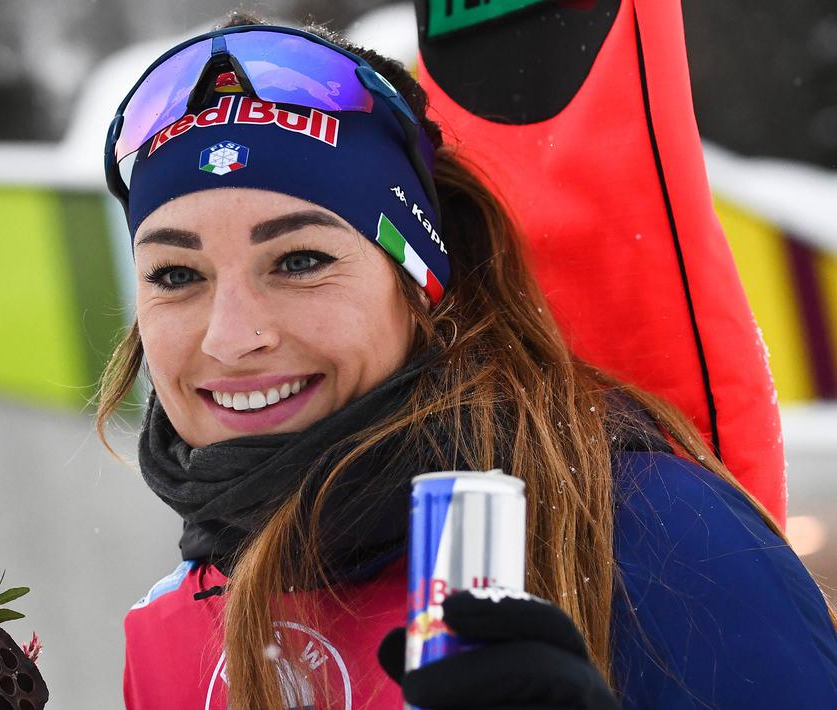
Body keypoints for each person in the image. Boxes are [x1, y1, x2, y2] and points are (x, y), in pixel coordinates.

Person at [96, 14, 837, 709]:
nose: (231, 337)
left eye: (298, 260)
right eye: (175, 275)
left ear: (417, 285)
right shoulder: (167, 628)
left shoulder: (647, 531)